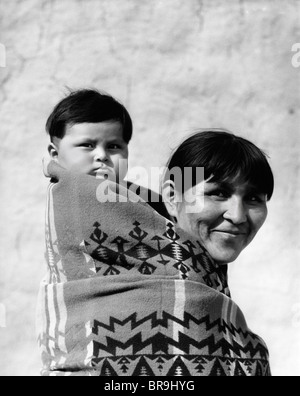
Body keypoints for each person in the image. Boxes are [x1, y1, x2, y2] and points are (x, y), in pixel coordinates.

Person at [37, 125, 272, 377]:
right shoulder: (121, 291)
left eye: (254, 199)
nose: (237, 215)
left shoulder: (226, 312)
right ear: (172, 197)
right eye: (217, 193)